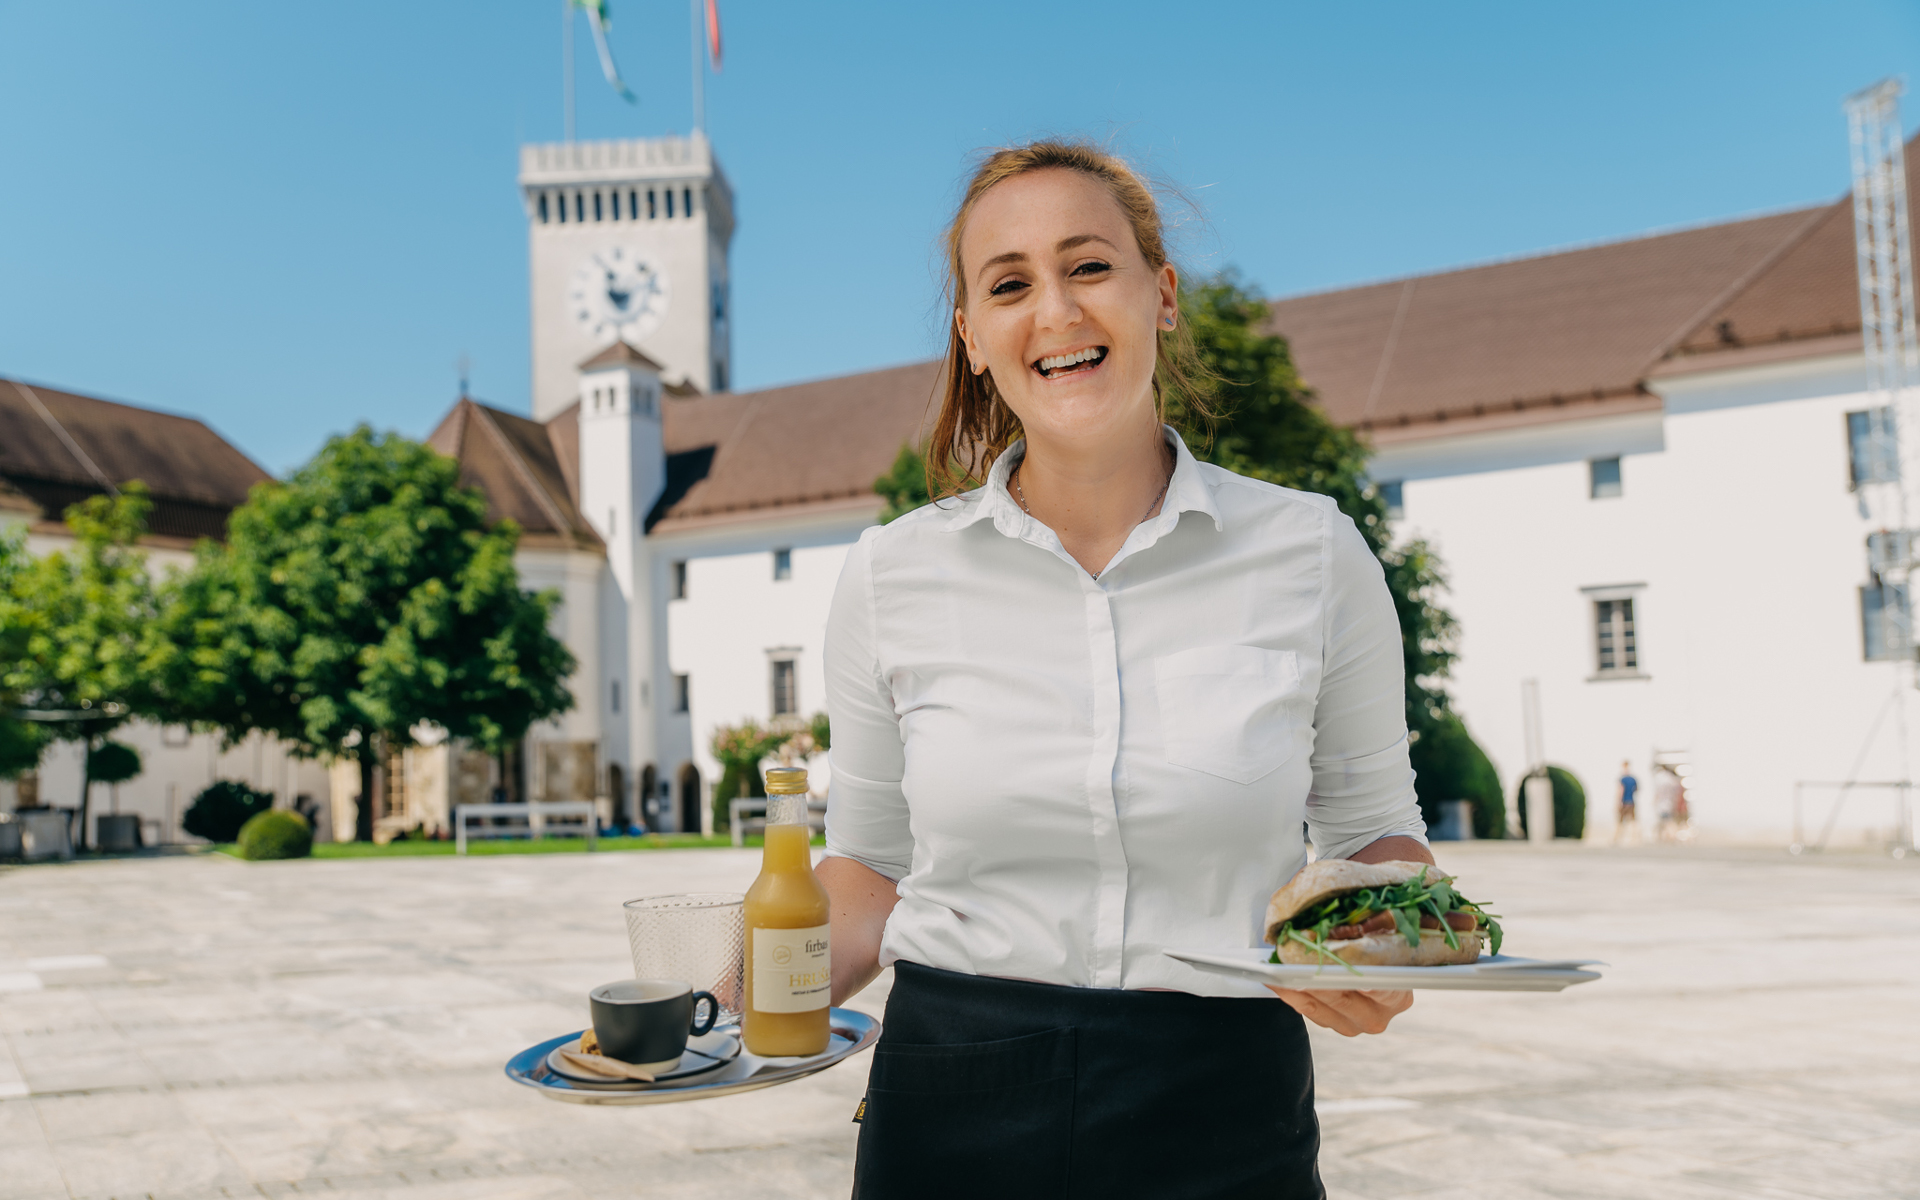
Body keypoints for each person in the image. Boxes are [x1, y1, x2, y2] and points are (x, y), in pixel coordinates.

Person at [818, 141, 1435, 1200]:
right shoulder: (891, 575)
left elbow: (1377, 833)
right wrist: (705, 1011)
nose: (1053, 310)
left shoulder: (1313, 553)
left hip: (1224, 1114)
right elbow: (868, 870)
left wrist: (1384, 944)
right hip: (948, 1118)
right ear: (973, 338)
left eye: (1089, 266)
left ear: (1162, 295)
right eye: (1008, 284)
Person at [1613, 760, 1640, 845]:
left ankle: (1616, 838)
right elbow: (1637, 789)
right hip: (1631, 801)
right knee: (1633, 821)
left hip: (1624, 802)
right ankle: (1635, 838)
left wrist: (1618, 802)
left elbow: (1620, 791)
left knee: (1620, 821)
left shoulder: (1622, 779)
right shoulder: (1633, 779)